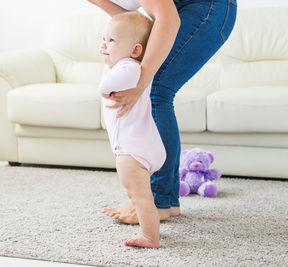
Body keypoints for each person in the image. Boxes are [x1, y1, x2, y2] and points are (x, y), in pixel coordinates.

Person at [88, 0, 237, 223]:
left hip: (207, 6)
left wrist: (141, 80)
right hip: (179, 9)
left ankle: (159, 201)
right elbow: (132, 23)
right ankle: (163, 200)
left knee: (155, 89)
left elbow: (167, 18)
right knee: (151, 85)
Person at [99, 11, 166, 248]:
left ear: (136, 50)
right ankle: (151, 227)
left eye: (112, 41)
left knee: (141, 197)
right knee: (136, 194)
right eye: (104, 39)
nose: (104, 45)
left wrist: (105, 84)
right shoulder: (132, 67)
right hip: (143, 144)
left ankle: (150, 236)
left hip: (132, 149)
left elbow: (106, 86)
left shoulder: (128, 67)